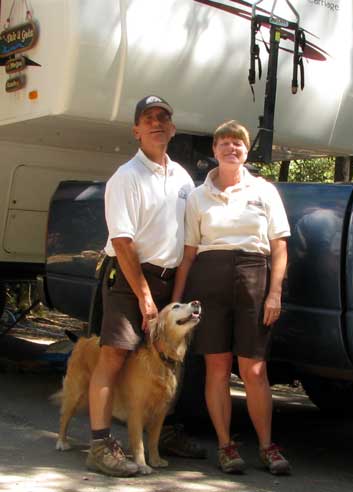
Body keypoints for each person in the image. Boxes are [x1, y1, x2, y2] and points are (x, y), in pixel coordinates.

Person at [87, 95, 206, 477]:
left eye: (164, 118)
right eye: (148, 118)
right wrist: (144, 299)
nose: (157, 123)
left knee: (169, 357)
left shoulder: (185, 179)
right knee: (115, 356)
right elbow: (122, 244)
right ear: (136, 130)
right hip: (128, 276)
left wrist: (174, 299)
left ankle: (163, 432)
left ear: (172, 129)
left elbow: (189, 240)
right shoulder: (126, 177)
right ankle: (100, 445)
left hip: (169, 280)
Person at [172, 120, 292, 475]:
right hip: (209, 281)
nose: (231, 148)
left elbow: (279, 246)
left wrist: (274, 293)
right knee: (218, 367)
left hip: (253, 280)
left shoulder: (265, 191)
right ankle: (226, 446)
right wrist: (175, 302)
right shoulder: (197, 196)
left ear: (246, 150)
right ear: (214, 150)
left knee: (254, 369)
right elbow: (189, 253)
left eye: (237, 143)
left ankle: (268, 447)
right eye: (224, 142)